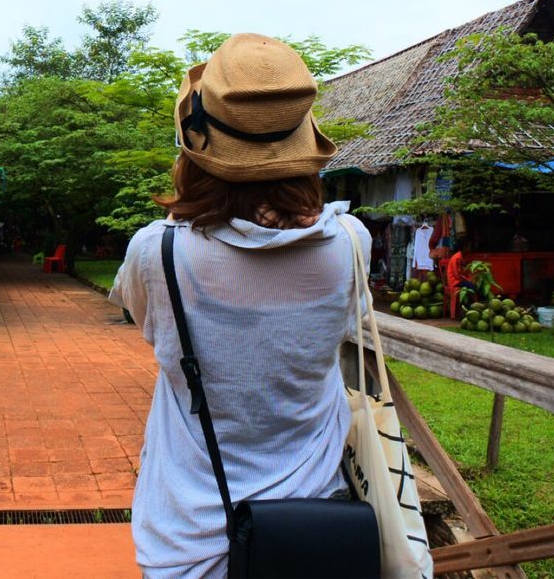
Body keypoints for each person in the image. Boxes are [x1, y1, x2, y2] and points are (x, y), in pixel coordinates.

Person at [109, 33, 367, 578]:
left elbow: (158, 336)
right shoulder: (350, 242)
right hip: (314, 527)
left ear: (194, 148)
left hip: (187, 534)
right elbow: (346, 323)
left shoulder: (158, 250)